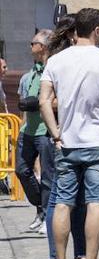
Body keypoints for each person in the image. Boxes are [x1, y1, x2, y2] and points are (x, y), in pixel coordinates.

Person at [39, 8, 99, 259]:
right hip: (98, 141)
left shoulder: (56, 60)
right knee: (95, 203)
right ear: (97, 29)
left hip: (68, 141)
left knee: (62, 202)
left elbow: (43, 101)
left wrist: (56, 132)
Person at [14, 29, 52, 233]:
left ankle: (47, 216)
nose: (30, 46)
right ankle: (40, 207)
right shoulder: (29, 75)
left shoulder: (51, 70)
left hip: (45, 130)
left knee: (47, 176)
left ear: (43, 47)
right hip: (27, 131)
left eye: (33, 43)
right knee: (22, 170)